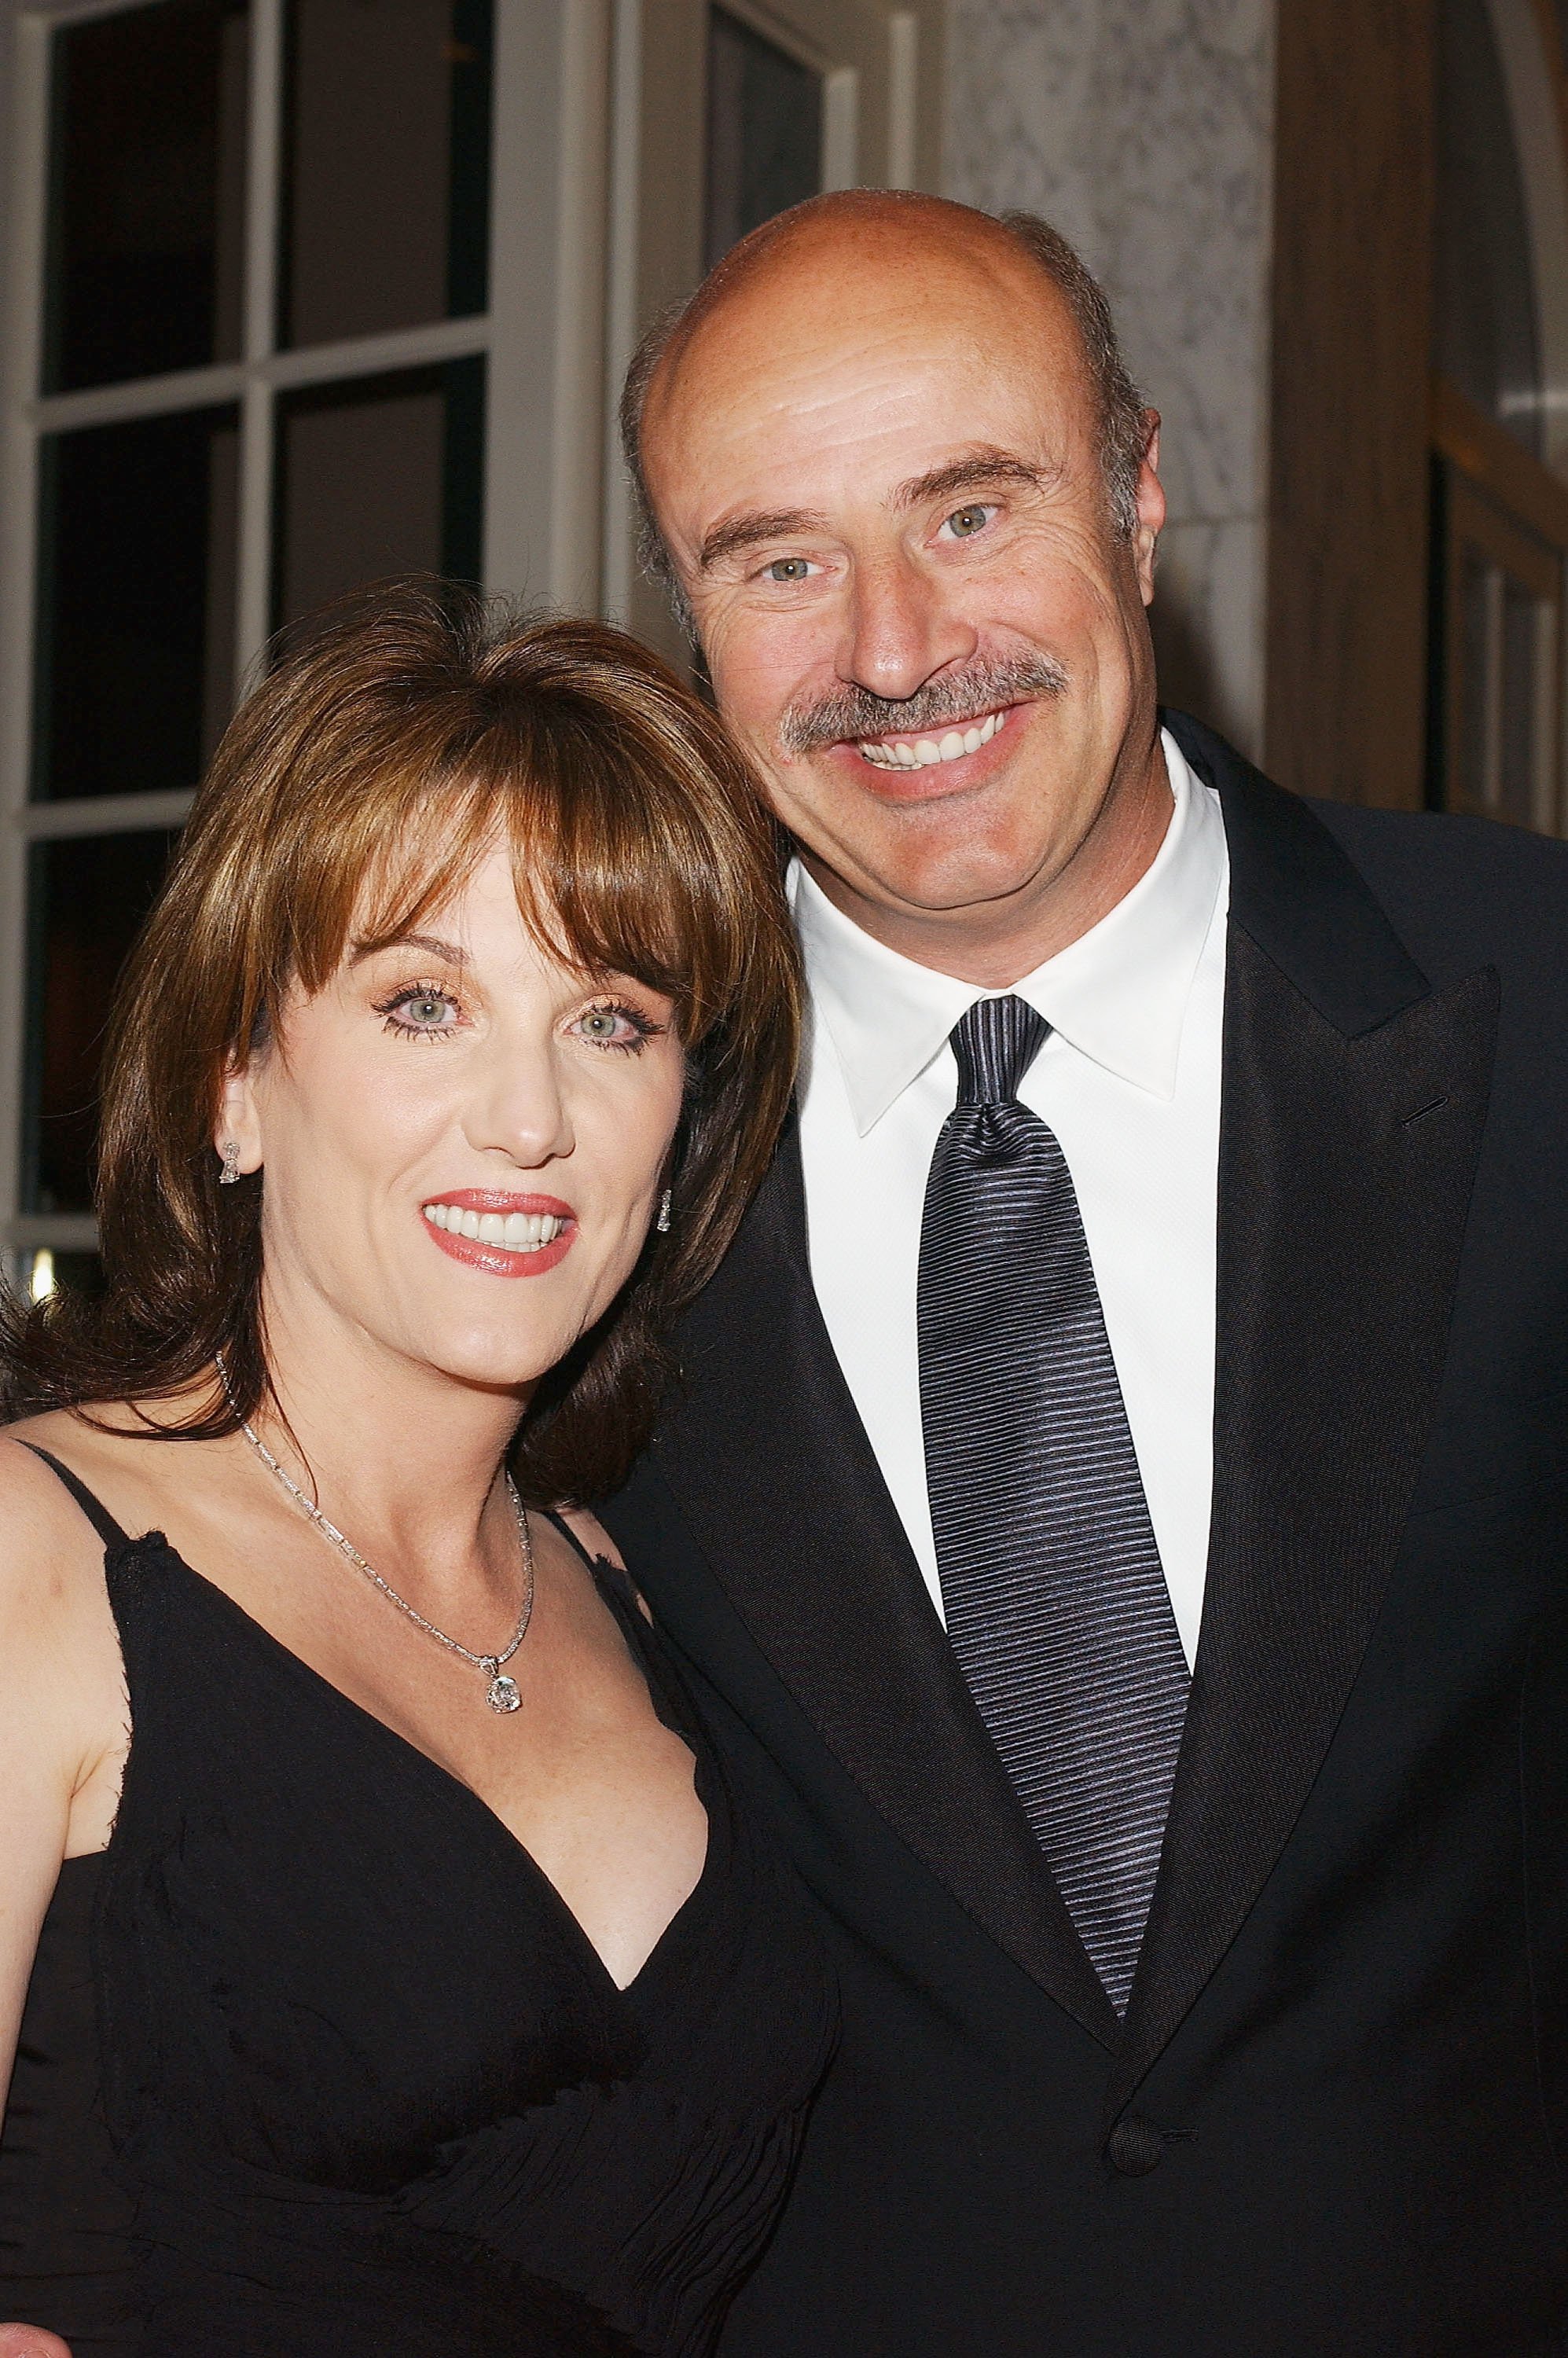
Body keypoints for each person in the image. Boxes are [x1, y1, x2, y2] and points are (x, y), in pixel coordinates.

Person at [599, 188, 1568, 2354]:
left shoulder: (1536, 1002)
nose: (885, 648)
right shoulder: (578, 1158)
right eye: (776, 561)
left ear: (1136, 501)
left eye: (968, 509)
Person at [0, 582, 832, 2357]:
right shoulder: (36, 1558)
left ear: (680, 1130)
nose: (528, 1117)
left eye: (610, 1019)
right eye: (421, 1003)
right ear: (233, 1082)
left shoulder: (640, 1581)